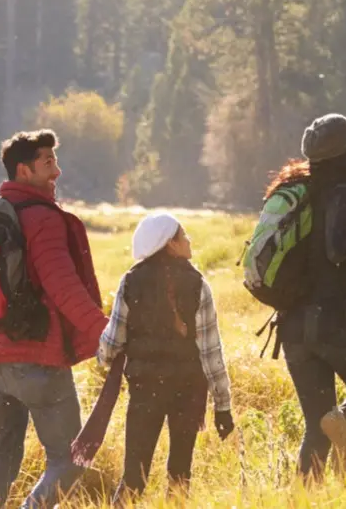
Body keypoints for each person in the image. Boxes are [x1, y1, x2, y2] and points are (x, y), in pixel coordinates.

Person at [0, 130, 109, 509]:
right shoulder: (43, 219)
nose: (57, 171)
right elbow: (64, 286)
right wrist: (107, 333)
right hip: (40, 361)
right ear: (23, 170)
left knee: (1, 459)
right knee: (70, 459)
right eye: (48, 163)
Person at [268, 113, 346, 477]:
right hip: (336, 320)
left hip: (293, 326)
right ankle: (340, 422)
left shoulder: (299, 193)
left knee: (315, 426)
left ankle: (306, 497)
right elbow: (338, 249)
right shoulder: (341, 192)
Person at [95, 212, 234, 503]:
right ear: (169, 243)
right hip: (189, 390)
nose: (189, 240)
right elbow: (211, 353)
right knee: (180, 474)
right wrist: (223, 406)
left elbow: (111, 343)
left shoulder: (131, 281)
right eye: (183, 236)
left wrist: (104, 358)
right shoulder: (198, 283)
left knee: (134, 475)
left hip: (145, 390)